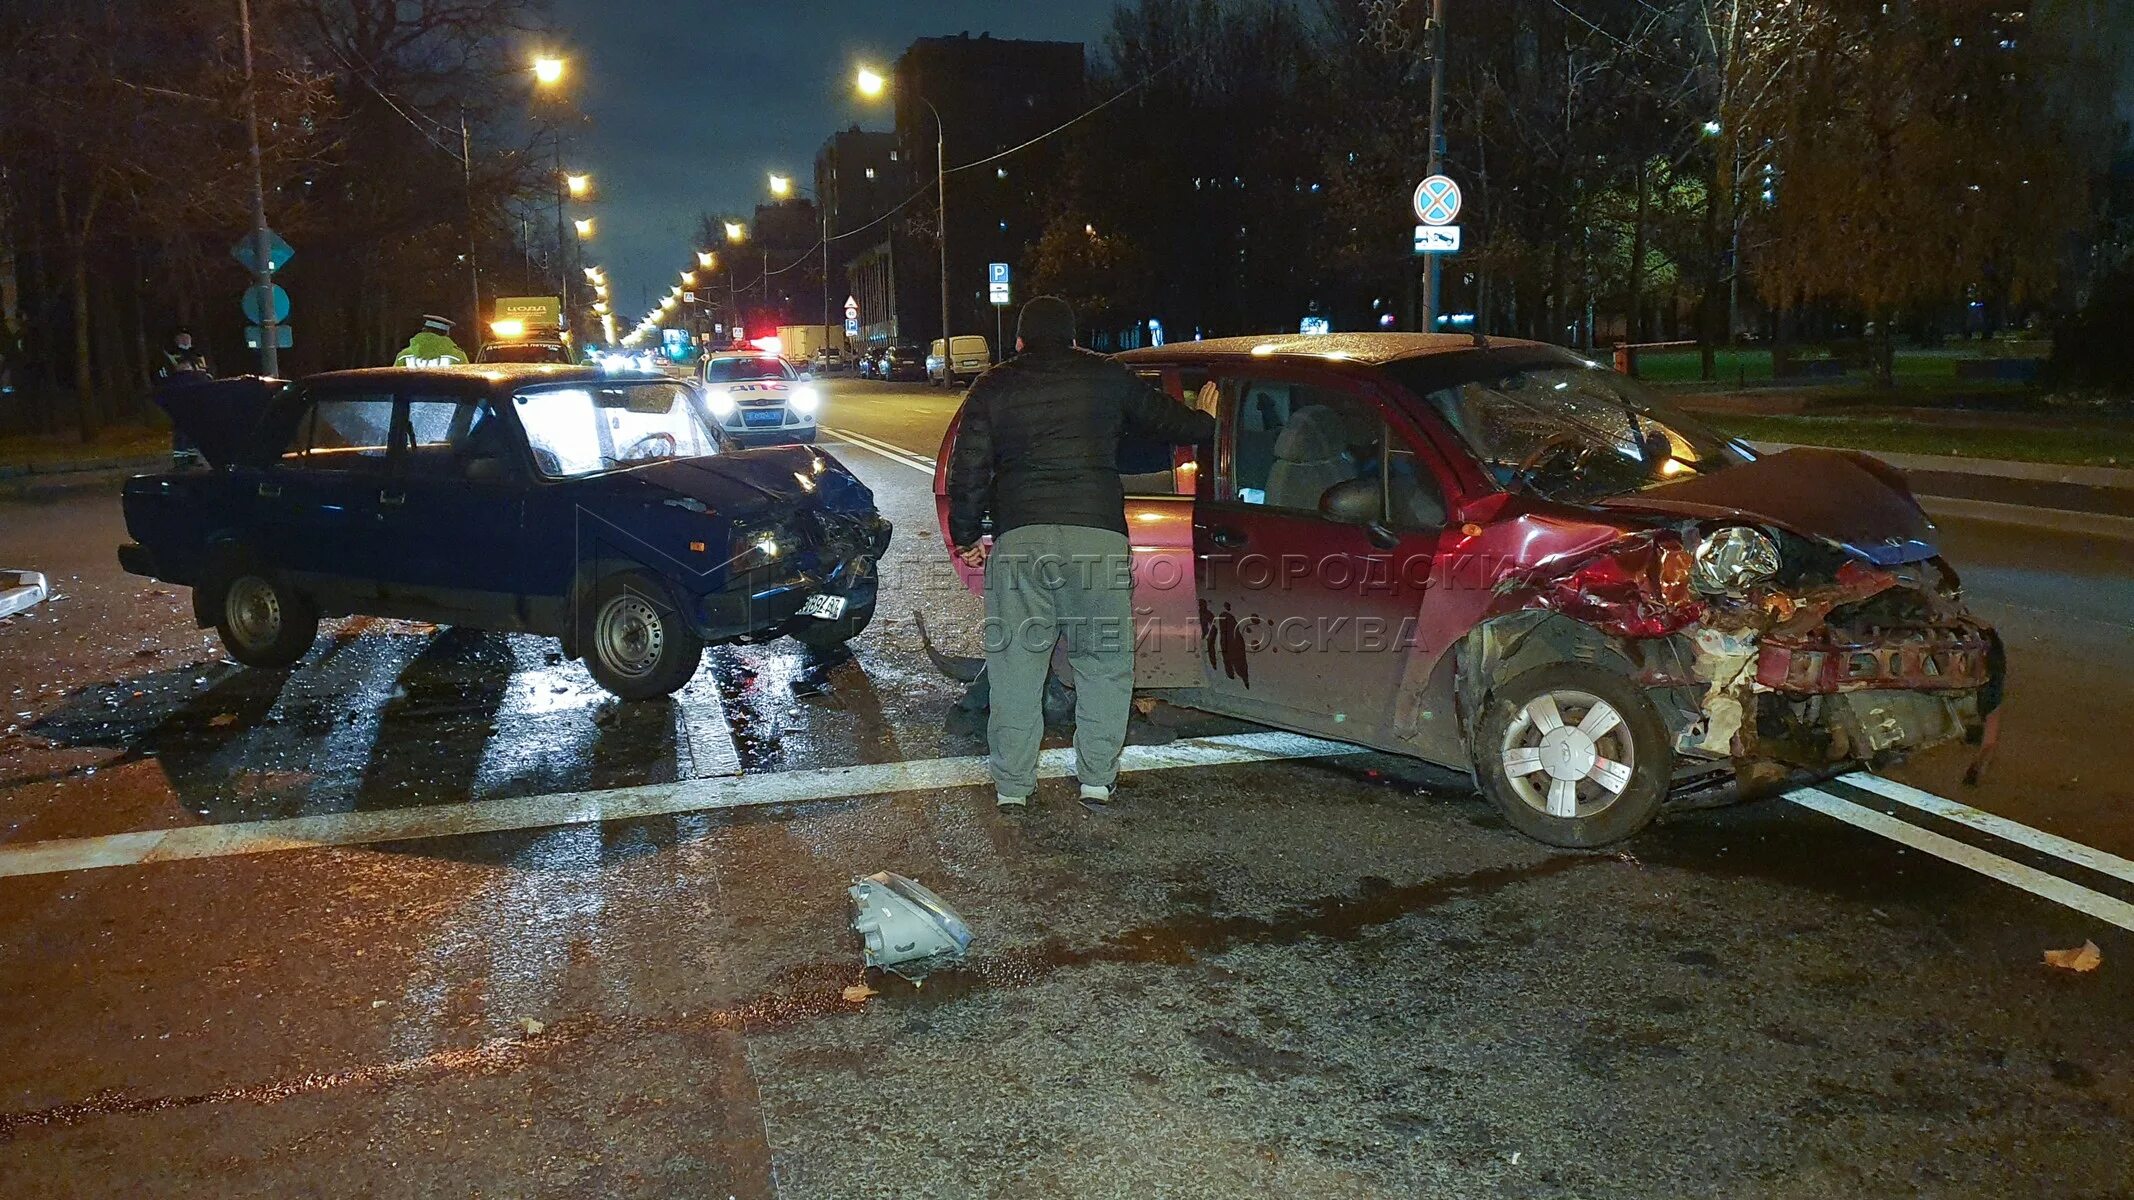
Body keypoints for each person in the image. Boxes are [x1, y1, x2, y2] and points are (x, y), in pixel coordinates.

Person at [947, 295, 1214, 809]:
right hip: (1097, 538)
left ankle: (1013, 788)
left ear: (1020, 340)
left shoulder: (993, 384)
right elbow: (1177, 425)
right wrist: (1211, 414)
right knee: (1104, 662)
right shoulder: (1106, 376)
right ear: (1072, 339)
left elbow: (969, 466)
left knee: (1016, 666)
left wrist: (966, 536)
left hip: (1021, 540)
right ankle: (1095, 778)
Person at [156, 328, 214, 469]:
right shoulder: (170, 355)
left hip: (199, 397)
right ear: (176, 340)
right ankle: (180, 460)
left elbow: (208, 372)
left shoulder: (197, 355)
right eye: (182, 338)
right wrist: (178, 373)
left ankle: (192, 457)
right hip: (180, 397)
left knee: (195, 428)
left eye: (187, 338)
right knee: (181, 428)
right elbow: (162, 376)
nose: (185, 340)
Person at [393, 314, 468, 367]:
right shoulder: (457, 356)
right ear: (446, 334)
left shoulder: (404, 355)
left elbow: (393, 382)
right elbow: (467, 383)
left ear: (424, 330)